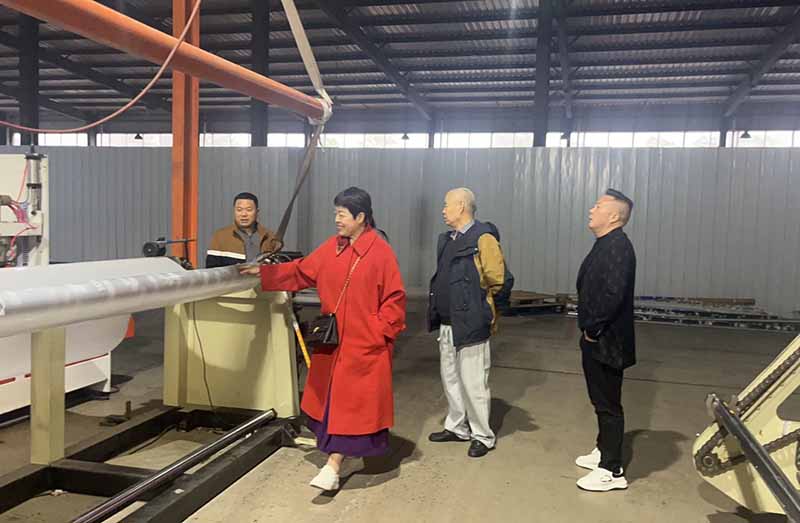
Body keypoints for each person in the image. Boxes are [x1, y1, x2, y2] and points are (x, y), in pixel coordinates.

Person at [240, 186, 406, 491]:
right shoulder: (333, 247)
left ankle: (334, 465)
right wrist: (263, 273)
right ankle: (340, 459)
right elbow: (301, 271)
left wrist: (378, 331)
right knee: (334, 405)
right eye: (336, 214)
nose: (337, 220)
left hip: (364, 346)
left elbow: (395, 299)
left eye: (342, 214)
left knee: (351, 408)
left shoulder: (381, 252)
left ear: (361, 217)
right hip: (333, 342)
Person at [427, 188, 506, 458]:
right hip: (447, 322)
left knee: (473, 382)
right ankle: (457, 426)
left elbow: (497, 280)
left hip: (471, 323)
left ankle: (482, 435)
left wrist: (481, 310)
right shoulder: (448, 239)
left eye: (446, 205)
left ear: (461, 206)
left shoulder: (483, 238)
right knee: (450, 378)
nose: (443, 210)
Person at [574, 188, 637, 492]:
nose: (591, 210)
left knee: (608, 404)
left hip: (606, 342)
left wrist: (593, 330)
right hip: (598, 339)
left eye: (598, 206)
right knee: (600, 400)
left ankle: (611, 470)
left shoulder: (617, 247)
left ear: (613, 216)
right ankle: (603, 449)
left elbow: (612, 294)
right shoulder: (606, 243)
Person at [206, 192, 281, 268]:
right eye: (239, 210)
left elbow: (278, 268)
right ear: (234, 211)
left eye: (249, 210)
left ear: (257, 212)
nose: (244, 214)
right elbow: (211, 270)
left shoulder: (269, 236)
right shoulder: (220, 236)